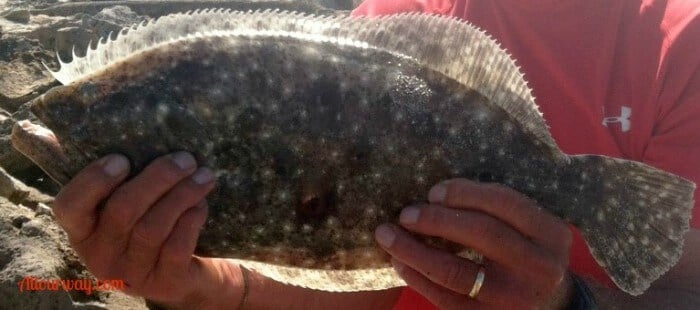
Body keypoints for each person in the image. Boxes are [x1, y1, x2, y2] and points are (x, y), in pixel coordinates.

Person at [50, 0, 700, 308]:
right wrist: (193, 283)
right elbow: (336, 280)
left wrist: (566, 306)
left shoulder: (684, 44)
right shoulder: (397, 16)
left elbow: (684, 293)